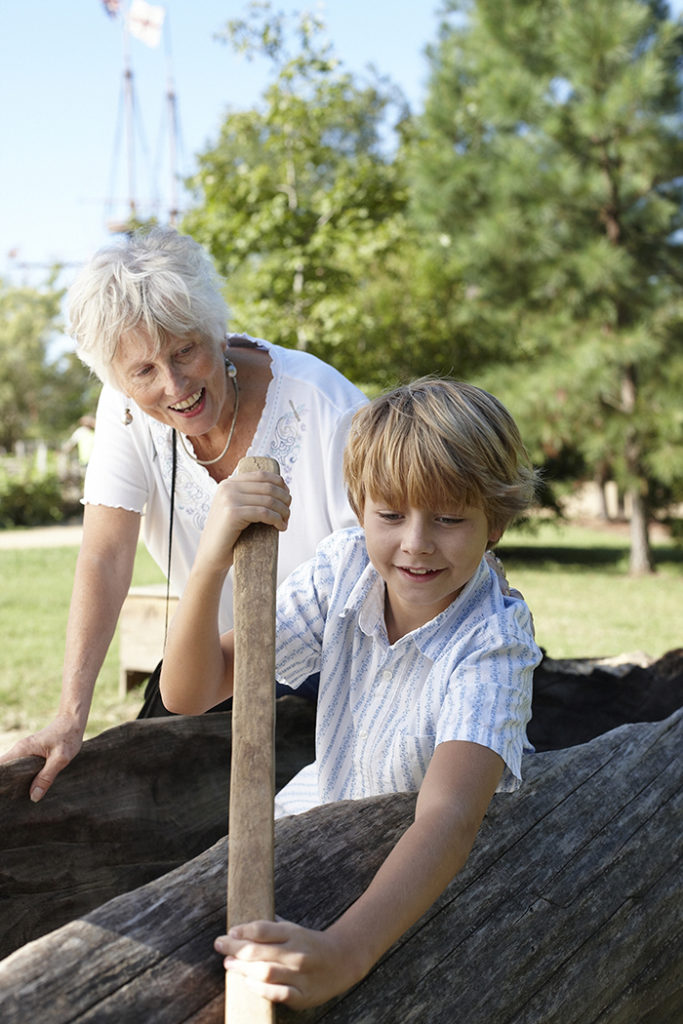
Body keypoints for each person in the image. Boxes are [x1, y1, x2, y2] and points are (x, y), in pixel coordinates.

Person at [159, 376, 542, 1010]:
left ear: (494, 522)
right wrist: (211, 561)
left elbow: (448, 817)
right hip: (317, 819)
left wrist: (347, 953)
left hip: (411, 881)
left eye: (448, 519)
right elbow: (189, 691)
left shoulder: (492, 640)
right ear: (360, 508)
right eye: (390, 516)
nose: (415, 543)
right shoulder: (347, 567)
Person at [0, 227, 367, 802]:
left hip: (334, 675)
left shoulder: (324, 404)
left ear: (216, 328)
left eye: (185, 351)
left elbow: (387, 576)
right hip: (210, 665)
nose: (174, 385)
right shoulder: (125, 412)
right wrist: (70, 715)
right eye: (143, 372)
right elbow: (104, 555)